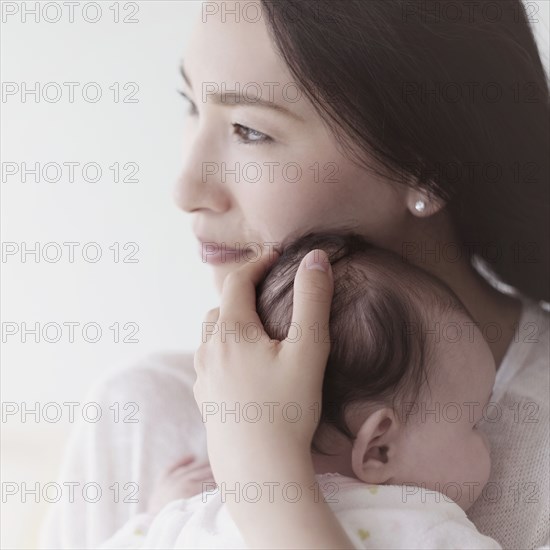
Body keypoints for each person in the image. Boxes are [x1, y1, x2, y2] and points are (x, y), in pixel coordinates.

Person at [39, 1, 549, 548]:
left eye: (249, 130)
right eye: (190, 102)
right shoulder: (144, 416)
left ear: (425, 163)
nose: (186, 190)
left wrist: (263, 475)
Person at [97, 232, 501, 549]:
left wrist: (156, 520)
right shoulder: (422, 525)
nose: (491, 439)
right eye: (474, 421)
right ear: (378, 448)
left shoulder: (203, 510)